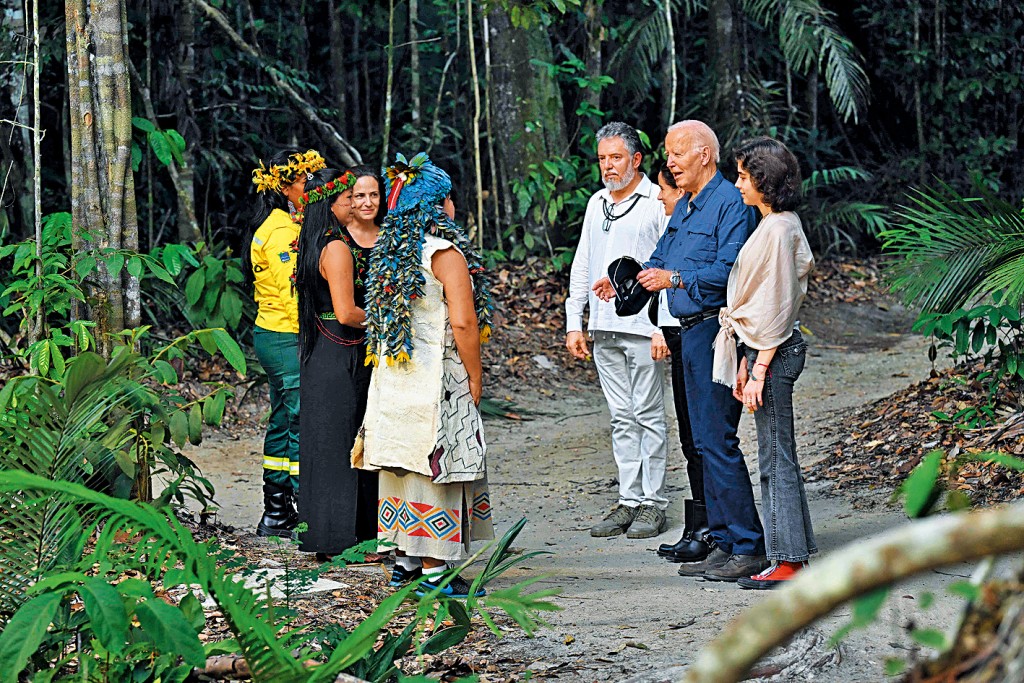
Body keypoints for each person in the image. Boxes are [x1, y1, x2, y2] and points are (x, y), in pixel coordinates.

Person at [598, 120, 767, 580]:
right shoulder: (688, 205)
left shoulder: (731, 205)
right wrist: (626, 281)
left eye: (676, 153)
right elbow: (661, 255)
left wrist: (675, 280)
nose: (668, 162)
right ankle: (724, 539)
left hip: (716, 330)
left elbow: (731, 271)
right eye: (669, 153)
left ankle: (749, 545)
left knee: (717, 440)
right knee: (698, 441)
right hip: (687, 332)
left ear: (704, 155)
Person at [352, 152, 494, 599]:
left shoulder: (388, 255)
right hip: (437, 376)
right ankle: (436, 574)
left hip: (395, 377)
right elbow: (464, 323)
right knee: (438, 467)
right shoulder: (444, 254)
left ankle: (405, 563)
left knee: (400, 464)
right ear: (440, 205)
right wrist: (474, 373)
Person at [712, 137, 816, 589]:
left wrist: (758, 369)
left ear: (764, 182)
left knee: (775, 457)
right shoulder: (775, 223)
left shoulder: (777, 230)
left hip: (773, 352)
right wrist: (745, 362)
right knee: (777, 454)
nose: (737, 185)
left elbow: (776, 306)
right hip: (762, 350)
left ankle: (787, 559)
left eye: (743, 177)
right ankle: (792, 550)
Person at [566, 122, 670, 540]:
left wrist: (664, 326)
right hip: (604, 326)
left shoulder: (656, 202)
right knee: (621, 417)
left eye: (616, 158)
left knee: (648, 414)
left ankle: (654, 503)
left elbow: (665, 265)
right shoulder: (596, 203)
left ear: (636, 159)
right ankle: (629, 499)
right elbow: (584, 261)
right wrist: (576, 320)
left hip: (644, 327)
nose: (608, 166)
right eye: (603, 159)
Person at [293, 167, 382, 560]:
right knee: (347, 443)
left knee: (324, 444)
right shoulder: (338, 248)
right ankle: (353, 540)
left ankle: (324, 536)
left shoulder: (311, 242)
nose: (354, 204)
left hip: (320, 353)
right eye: (348, 198)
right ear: (332, 204)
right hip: (342, 351)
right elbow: (347, 313)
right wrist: (387, 318)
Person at [247, 148, 326, 537]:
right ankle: (308, 517)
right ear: (285, 186)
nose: (310, 187)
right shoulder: (280, 231)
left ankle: (276, 514)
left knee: (282, 419)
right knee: (301, 419)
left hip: (273, 333)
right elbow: (290, 292)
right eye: (304, 181)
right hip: (285, 335)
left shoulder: (282, 223)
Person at [649, 166, 709, 563]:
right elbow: (657, 267)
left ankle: (710, 528)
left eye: (664, 189)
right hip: (676, 332)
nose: (659, 197)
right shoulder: (677, 223)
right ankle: (699, 523)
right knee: (689, 437)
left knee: (704, 438)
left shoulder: (700, 219)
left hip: (697, 331)